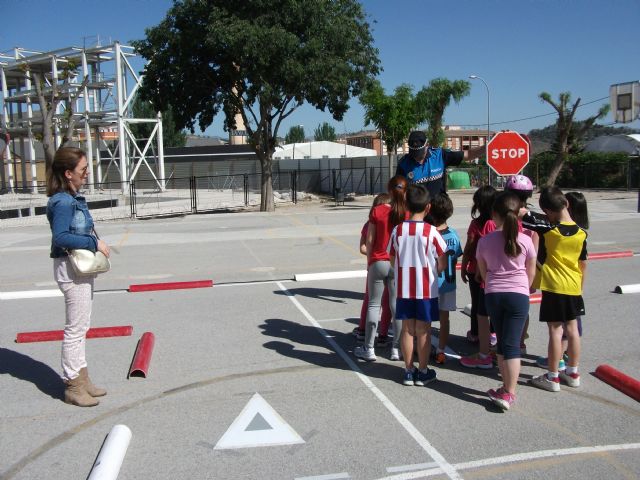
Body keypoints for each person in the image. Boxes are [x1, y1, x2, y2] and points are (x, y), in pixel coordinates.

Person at [46, 147, 110, 407]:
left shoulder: (72, 198)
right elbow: (60, 237)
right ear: (68, 173)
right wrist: (92, 243)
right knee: (75, 328)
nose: (86, 174)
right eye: (83, 170)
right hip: (71, 268)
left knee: (82, 325)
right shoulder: (62, 202)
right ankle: (73, 384)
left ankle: (83, 379)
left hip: (78, 268)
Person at [476, 192, 537, 410]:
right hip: (518, 294)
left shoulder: (485, 241)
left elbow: (483, 271)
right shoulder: (526, 240)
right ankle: (509, 391)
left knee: (503, 342)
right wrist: (523, 289)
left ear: (494, 214)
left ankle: (506, 388)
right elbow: (531, 272)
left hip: (494, 293)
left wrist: (493, 282)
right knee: (512, 345)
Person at [524, 187, 587, 392]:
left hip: (554, 286)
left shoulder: (549, 229)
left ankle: (552, 376)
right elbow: (582, 263)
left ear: (548, 211)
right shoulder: (581, 233)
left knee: (555, 331)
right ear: (566, 204)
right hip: (573, 286)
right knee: (573, 330)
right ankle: (573, 372)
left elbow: (523, 214)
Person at [388, 184, 446, 386]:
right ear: (428, 207)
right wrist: (433, 270)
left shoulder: (398, 230)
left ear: (405, 205)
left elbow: (392, 257)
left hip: (404, 288)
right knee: (423, 330)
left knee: (407, 329)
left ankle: (408, 370)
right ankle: (422, 370)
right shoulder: (431, 232)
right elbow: (442, 261)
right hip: (426, 288)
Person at [354, 176, 408, 362]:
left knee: (374, 304)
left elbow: (369, 240)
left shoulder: (377, 211)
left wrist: (370, 262)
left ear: (388, 189)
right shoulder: (406, 213)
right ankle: (396, 348)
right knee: (396, 307)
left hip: (378, 260)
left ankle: (369, 348)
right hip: (397, 263)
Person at [460, 186, 497, 369]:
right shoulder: (497, 224)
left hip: (476, 270)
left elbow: (469, 246)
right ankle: (492, 332)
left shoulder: (476, 224)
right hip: (493, 272)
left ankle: (476, 333)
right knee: (490, 305)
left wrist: (464, 265)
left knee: (477, 304)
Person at [503, 174, 539, 354]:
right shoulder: (533, 218)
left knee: (506, 311)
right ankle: (521, 341)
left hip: (507, 269)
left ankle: (508, 345)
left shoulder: (508, 216)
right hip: (526, 271)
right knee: (523, 310)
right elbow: (535, 249)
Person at [395, 130, 485, 199]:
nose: (416, 157)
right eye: (414, 153)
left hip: (438, 212)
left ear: (427, 145)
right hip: (417, 213)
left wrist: (488, 147)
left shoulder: (439, 155)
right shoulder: (403, 164)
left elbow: (468, 154)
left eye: (419, 153)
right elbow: (398, 191)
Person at [353, 193, 392, 347]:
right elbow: (363, 246)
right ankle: (363, 330)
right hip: (377, 264)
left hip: (382, 264)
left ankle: (382, 334)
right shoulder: (369, 224)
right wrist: (372, 254)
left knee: (384, 302)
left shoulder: (393, 223)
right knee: (371, 301)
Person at [428, 193, 462, 364]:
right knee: (444, 319)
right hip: (448, 283)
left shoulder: (429, 235)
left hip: (431, 284)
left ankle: (425, 348)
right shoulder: (454, 236)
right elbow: (455, 256)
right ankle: (441, 350)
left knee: (426, 318)